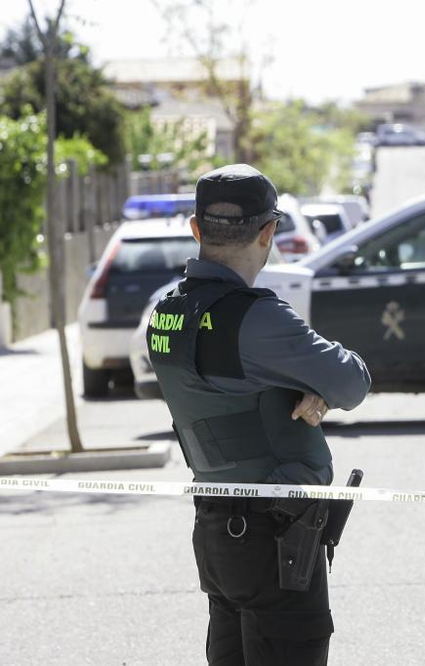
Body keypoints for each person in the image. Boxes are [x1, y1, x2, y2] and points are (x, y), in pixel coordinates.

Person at [146, 164, 371, 665]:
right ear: (269, 233)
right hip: (276, 539)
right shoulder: (256, 318)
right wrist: (317, 386)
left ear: (196, 229)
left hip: (217, 535)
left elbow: (225, 390)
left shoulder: (166, 312)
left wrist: (305, 384)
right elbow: (353, 382)